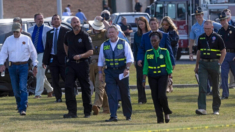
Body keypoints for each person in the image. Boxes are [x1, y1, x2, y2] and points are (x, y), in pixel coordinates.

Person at [0, 23, 38, 115]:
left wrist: (35, 65)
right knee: (15, 89)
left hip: (24, 66)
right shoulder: (8, 40)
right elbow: (3, 52)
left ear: (21, 30)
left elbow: (33, 52)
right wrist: (1, 64)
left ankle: (23, 108)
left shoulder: (26, 39)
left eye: (17, 31)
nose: (16, 33)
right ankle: (19, 104)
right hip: (12, 66)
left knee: (22, 87)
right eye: (14, 31)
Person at [98, 25, 134, 122]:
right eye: (109, 32)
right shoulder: (104, 45)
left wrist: (127, 69)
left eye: (113, 32)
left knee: (125, 93)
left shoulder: (124, 43)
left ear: (117, 33)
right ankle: (113, 116)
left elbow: (130, 58)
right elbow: (100, 61)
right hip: (109, 72)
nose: (111, 34)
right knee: (111, 93)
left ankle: (127, 115)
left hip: (122, 71)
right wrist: (100, 73)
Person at [63, 17, 93, 118]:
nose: (76, 24)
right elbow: (65, 44)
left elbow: (90, 51)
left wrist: (80, 56)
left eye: (77, 22)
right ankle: (72, 112)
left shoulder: (84, 35)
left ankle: (87, 112)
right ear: (71, 24)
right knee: (68, 86)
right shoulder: (68, 35)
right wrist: (68, 55)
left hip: (82, 64)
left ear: (80, 23)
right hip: (71, 64)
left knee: (85, 87)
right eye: (74, 22)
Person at [194, 20, 226, 115]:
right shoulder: (201, 38)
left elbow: (223, 52)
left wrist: (219, 63)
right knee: (202, 87)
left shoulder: (218, 38)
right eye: (205, 29)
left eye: (208, 28)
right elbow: (199, 52)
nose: (206, 30)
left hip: (214, 63)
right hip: (203, 64)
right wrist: (197, 65)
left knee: (215, 87)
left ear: (212, 28)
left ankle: (216, 109)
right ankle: (202, 108)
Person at [188, 7, 221, 94]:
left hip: (212, 49)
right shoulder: (194, 27)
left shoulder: (208, 23)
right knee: (202, 70)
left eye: (200, 14)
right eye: (197, 15)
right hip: (201, 50)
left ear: (203, 15)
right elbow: (191, 40)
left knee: (212, 71)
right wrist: (190, 52)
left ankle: (214, 89)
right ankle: (207, 89)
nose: (198, 16)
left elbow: (222, 27)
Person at [142, 31, 173, 123]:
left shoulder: (164, 51)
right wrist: (144, 79)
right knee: (155, 97)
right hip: (152, 77)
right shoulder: (148, 53)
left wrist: (170, 77)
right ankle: (160, 118)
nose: (153, 42)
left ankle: (166, 111)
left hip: (163, 76)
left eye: (155, 40)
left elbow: (169, 65)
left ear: (159, 41)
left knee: (162, 95)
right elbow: (145, 67)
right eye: (152, 41)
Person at [42, 14, 70, 102]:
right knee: (54, 79)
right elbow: (47, 48)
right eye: (54, 19)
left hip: (63, 58)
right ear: (52, 22)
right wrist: (45, 61)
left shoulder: (66, 31)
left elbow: (69, 45)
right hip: (53, 59)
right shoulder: (49, 33)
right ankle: (58, 97)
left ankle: (69, 95)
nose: (56, 20)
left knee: (66, 77)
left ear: (60, 21)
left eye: (58, 19)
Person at [87, 17, 109, 115]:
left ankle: (97, 105)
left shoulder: (105, 33)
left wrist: (103, 20)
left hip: (102, 63)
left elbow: (111, 29)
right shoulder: (88, 34)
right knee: (100, 87)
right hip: (91, 63)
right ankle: (107, 108)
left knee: (99, 85)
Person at [28, 13, 53, 99]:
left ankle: (38, 94)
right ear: (35, 20)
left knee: (39, 71)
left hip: (43, 53)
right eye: (38, 19)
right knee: (39, 74)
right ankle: (50, 89)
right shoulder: (30, 30)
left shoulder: (48, 29)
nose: (40, 20)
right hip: (33, 54)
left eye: (41, 18)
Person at [217, 12, 235, 100]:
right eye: (221, 20)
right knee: (224, 75)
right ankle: (225, 94)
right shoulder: (219, 32)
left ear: (227, 19)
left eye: (223, 20)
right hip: (224, 55)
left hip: (233, 55)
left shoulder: (233, 29)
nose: (222, 21)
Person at [133, 16, 151, 104]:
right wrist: (135, 60)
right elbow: (135, 48)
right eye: (139, 24)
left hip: (150, 59)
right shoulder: (136, 35)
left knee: (152, 78)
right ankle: (142, 98)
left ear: (146, 23)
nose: (140, 26)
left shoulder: (150, 33)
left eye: (142, 24)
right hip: (140, 59)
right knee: (140, 79)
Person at [223, 9, 235, 88]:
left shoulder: (234, 25)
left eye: (228, 14)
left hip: (233, 53)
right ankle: (225, 89)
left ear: (230, 15)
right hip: (225, 53)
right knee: (224, 73)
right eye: (225, 14)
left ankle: (232, 84)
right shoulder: (221, 26)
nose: (227, 16)